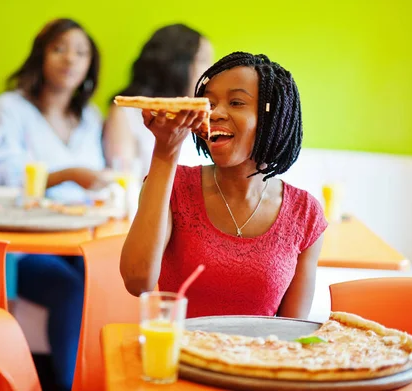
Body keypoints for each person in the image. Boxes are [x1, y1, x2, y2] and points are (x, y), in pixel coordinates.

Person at [120, 52, 327, 320]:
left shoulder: (305, 213)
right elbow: (137, 281)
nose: (215, 113)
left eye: (236, 102)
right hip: (181, 357)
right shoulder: (174, 186)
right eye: (209, 103)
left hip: (261, 360)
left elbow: (293, 330)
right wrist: (165, 150)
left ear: (272, 116)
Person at [0, 18, 105, 391]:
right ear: (41, 56)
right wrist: (64, 175)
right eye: (60, 48)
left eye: (81, 53)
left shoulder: (89, 118)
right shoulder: (10, 107)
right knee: (69, 288)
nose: (70, 59)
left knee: (106, 280)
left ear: (89, 68)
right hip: (22, 244)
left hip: (77, 238)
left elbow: (93, 183)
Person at [103, 24, 214, 178]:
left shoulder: (207, 117)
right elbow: (123, 179)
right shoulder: (126, 113)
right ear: (177, 65)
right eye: (203, 60)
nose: (211, 70)